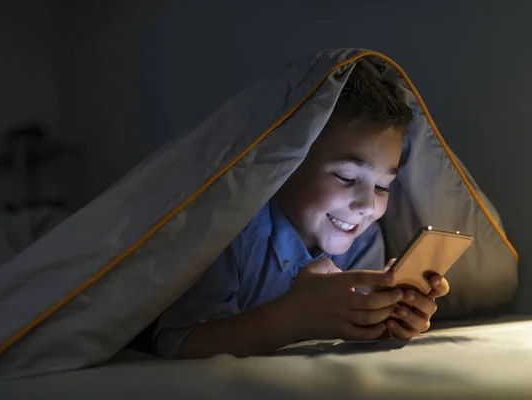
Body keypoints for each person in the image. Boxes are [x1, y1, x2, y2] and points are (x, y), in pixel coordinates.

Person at [153, 60, 451, 359]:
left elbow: (354, 335)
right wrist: (292, 319)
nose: (367, 206)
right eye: (345, 177)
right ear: (286, 165)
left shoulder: (363, 240)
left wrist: (385, 317)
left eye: (382, 186)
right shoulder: (232, 231)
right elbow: (177, 342)